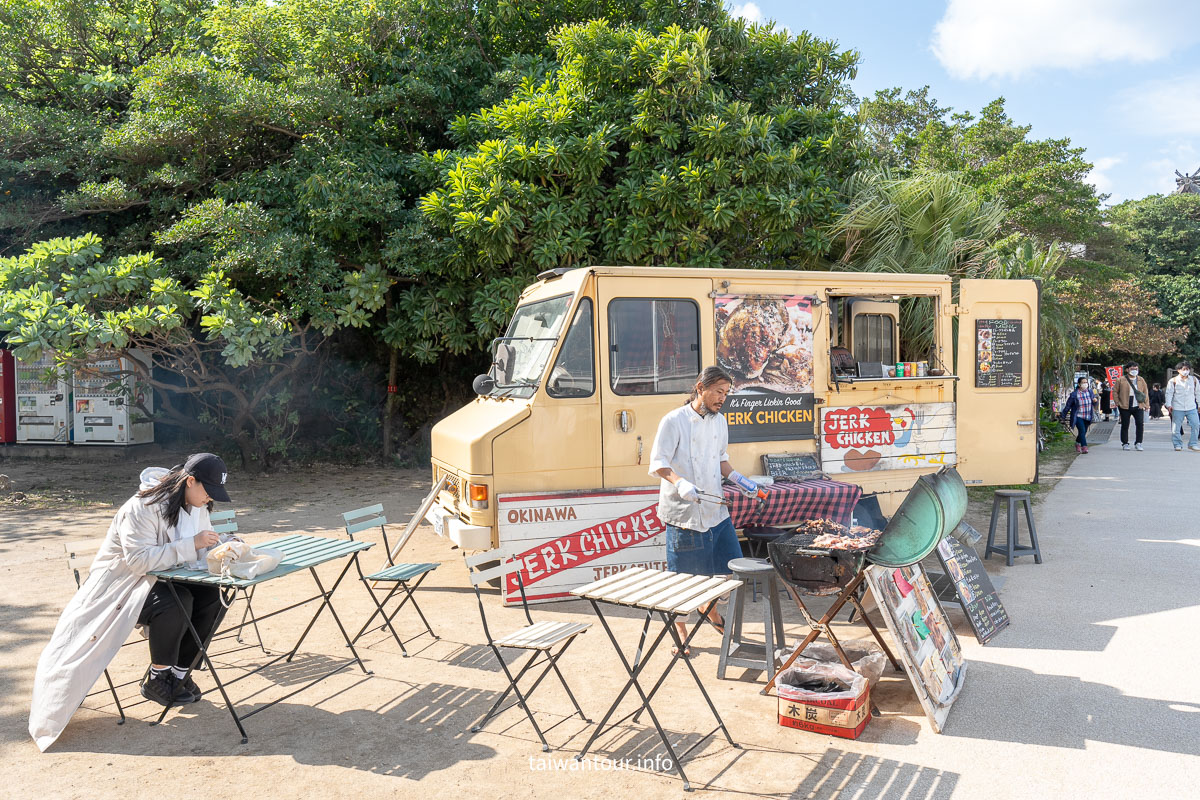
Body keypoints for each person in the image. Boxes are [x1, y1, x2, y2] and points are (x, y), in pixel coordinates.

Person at [29, 453, 233, 751]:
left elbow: (199, 550)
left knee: (214, 596)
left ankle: (179, 674)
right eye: (208, 490)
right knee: (178, 601)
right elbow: (138, 561)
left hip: (165, 579)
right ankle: (158, 676)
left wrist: (225, 545)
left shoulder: (196, 504)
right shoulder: (143, 507)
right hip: (122, 585)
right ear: (190, 480)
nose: (210, 499)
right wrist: (193, 544)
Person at [649, 366, 749, 657]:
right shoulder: (674, 421)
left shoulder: (720, 422)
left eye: (726, 394)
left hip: (716, 511)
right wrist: (679, 484)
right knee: (684, 579)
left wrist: (741, 481)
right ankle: (680, 631)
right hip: (684, 514)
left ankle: (710, 608)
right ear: (700, 388)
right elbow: (659, 463)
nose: (722, 399)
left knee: (729, 570)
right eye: (718, 392)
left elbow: (722, 461)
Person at [1164, 362, 1200, 452]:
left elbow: (1198, 393)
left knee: (1196, 424)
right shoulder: (1173, 381)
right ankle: (1177, 444)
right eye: (1183, 369)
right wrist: (1168, 405)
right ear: (1178, 370)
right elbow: (1169, 394)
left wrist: (1199, 404)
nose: (1186, 371)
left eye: (1187, 369)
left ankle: (1193, 444)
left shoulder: (1194, 380)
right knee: (1176, 427)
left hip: (1191, 406)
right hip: (1177, 407)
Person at [1113, 362, 1149, 451]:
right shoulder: (1121, 380)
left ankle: (1138, 442)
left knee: (1140, 424)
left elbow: (1145, 392)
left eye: (1136, 369)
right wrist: (1117, 402)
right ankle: (1125, 443)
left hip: (1138, 405)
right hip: (1125, 405)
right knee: (1125, 425)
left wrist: (1146, 404)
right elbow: (1115, 391)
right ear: (1127, 369)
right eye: (1132, 369)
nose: (1134, 371)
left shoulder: (1141, 380)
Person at [1060, 376, 1098, 454]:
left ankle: (1077, 443)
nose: (1085, 384)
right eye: (1083, 382)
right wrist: (1062, 416)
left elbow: (1094, 403)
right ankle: (1084, 447)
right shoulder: (1074, 394)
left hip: (1088, 416)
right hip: (1078, 416)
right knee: (1082, 430)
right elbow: (1068, 406)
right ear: (1079, 384)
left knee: (1083, 432)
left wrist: (1095, 401)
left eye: (1086, 382)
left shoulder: (1090, 392)